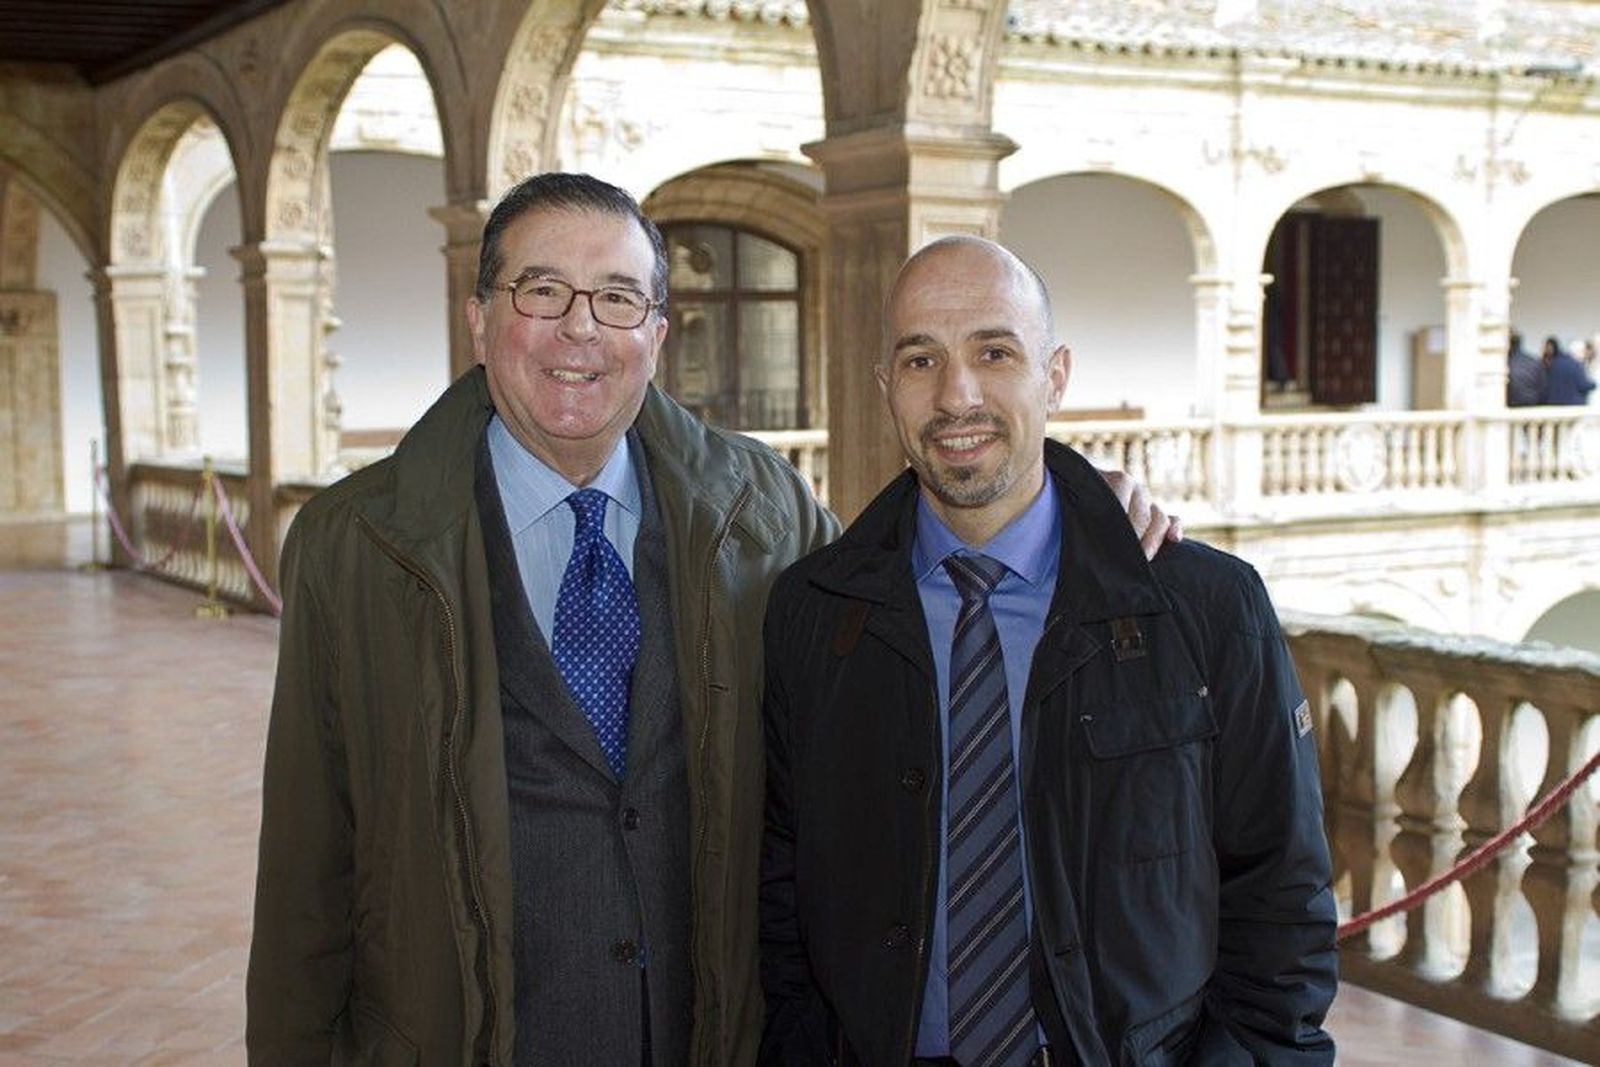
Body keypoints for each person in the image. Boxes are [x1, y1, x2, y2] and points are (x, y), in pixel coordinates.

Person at [246, 173, 1177, 1066]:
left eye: (617, 297)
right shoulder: (357, 546)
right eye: (542, 291)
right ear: (480, 319)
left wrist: (1073, 510)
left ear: (657, 332)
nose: (580, 327)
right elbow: (305, 880)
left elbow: (908, 586)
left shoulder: (757, 509)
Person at [759, 236, 1337, 1066]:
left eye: (995, 352)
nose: (957, 395)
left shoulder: (1206, 608)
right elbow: (783, 898)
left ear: (1055, 376)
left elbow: (1281, 904)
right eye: (921, 360)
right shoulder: (814, 615)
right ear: (888, 388)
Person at [1539, 334, 1596, 406]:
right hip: (1574, 407)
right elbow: (1583, 385)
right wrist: (1594, 384)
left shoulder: (1553, 364)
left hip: (1554, 406)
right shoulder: (1576, 365)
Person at [1507, 330, 1543, 407]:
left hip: (1512, 407)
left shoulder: (1506, 364)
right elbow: (1543, 387)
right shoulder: (1534, 361)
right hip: (1532, 405)